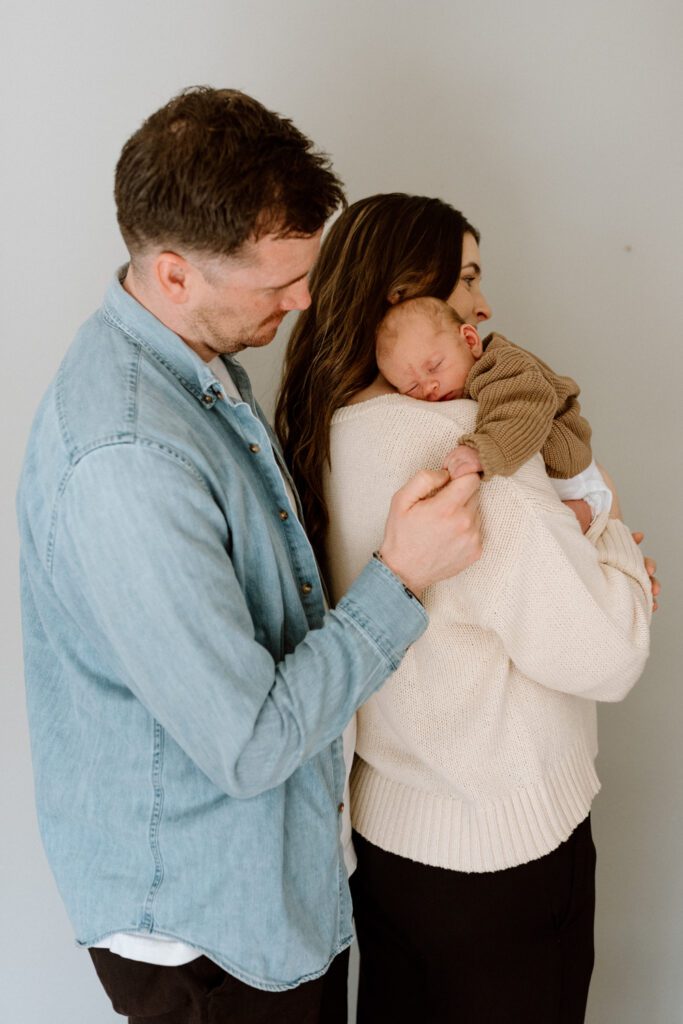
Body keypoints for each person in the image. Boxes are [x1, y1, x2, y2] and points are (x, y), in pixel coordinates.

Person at [16, 95, 483, 1024]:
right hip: (211, 932)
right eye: (278, 283)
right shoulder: (129, 459)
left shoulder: (197, 366)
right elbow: (251, 741)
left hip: (265, 885)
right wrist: (402, 578)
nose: (306, 301)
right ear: (175, 273)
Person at [276, 192, 655, 1022]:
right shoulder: (470, 465)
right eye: (467, 276)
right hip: (501, 862)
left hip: (385, 849)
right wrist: (613, 541)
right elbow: (610, 652)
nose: (484, 304)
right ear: (399, 291)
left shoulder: (322, 438)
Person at [375, 294, 612, 530]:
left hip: (575, 483)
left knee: (557, 528)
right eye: (412, 387)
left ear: (470, 341)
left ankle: (595, 518)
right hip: (558, 487)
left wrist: (483, 449)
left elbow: (521, 408)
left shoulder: (502, 365)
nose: (429, 388)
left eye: (435, 366)